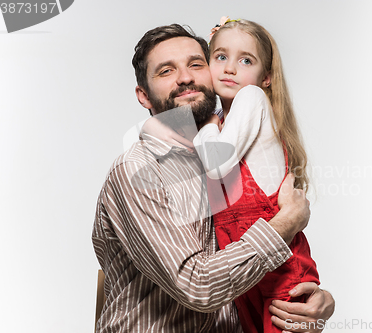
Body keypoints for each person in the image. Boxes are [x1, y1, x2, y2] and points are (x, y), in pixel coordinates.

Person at [92, 23, 334, 333]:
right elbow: (198, 287)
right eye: (166, 71)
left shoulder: (228, 156)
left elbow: (245, 269)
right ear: (144, 96)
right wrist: (288, 221)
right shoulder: (139, 170)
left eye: (196, 64)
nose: (186, 77)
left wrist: (313, 301)